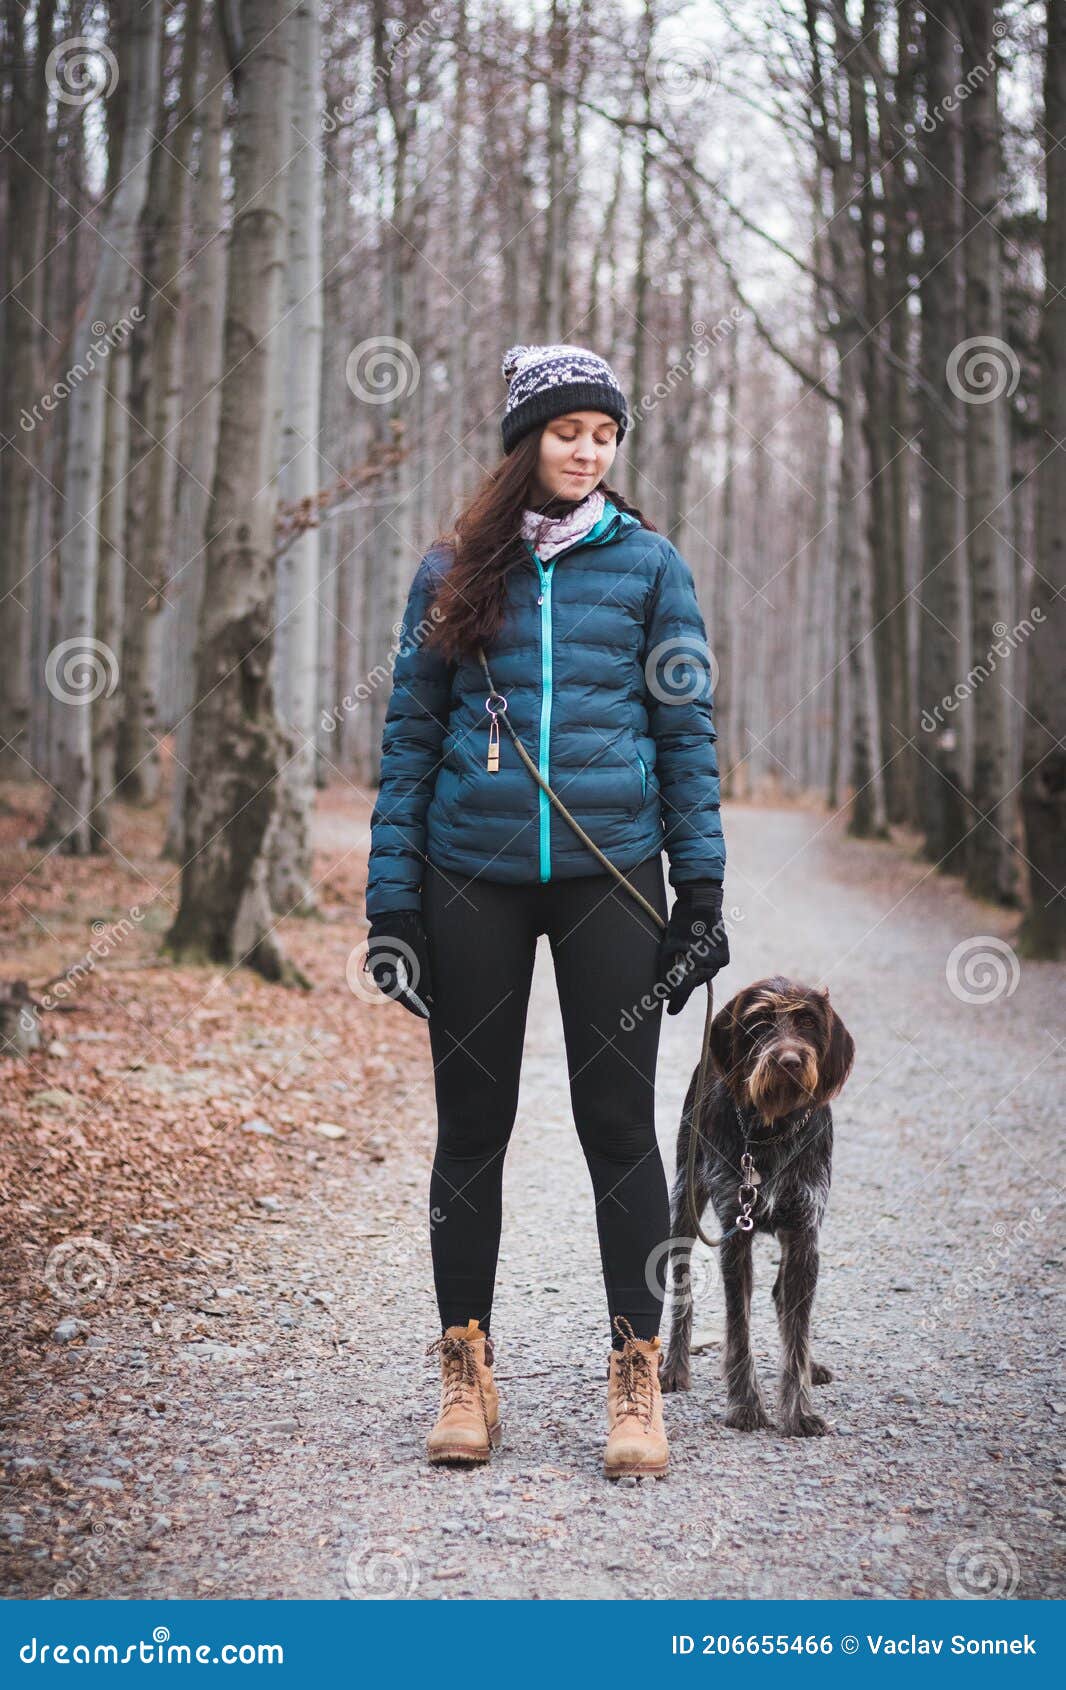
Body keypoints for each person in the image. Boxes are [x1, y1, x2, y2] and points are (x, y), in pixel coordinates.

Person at [363, 343, 727, 1479]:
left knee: (617, 1130)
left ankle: (635, 1374)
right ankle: (465, 1370)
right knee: (472, 1128)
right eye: (568, 430)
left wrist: (701, 886)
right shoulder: (455, 567)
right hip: (466, 872)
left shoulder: (651, 565)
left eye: (604, 433)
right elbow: (411, 734)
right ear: (526, 441)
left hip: (609, 876)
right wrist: (391, 897)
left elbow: (685, 729)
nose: (587, 449)